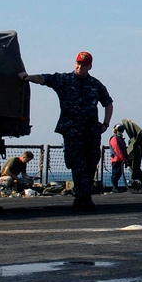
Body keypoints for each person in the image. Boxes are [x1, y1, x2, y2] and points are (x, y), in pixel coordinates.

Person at [19, 51, 113, 211]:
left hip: (91, 132)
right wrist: (27, 77)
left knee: (91, 164)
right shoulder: (64, 80)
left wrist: (105, 124)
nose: (79, 67)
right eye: (78, 63)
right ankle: (81, 197)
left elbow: (108, 103)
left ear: (90, 66)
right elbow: (44, 79)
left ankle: (85, 196)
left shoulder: (96, 85)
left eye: (83, 64)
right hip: (72, 132)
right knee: (77, 164)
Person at [108, 125, 128, 192]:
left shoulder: (119, 138)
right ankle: (114, 187)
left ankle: (116, 187)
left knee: (118, 173)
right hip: (116, 159)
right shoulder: (114, 138)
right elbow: (117, 150)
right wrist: (123, 159)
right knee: (116, 173)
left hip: (120, 159)